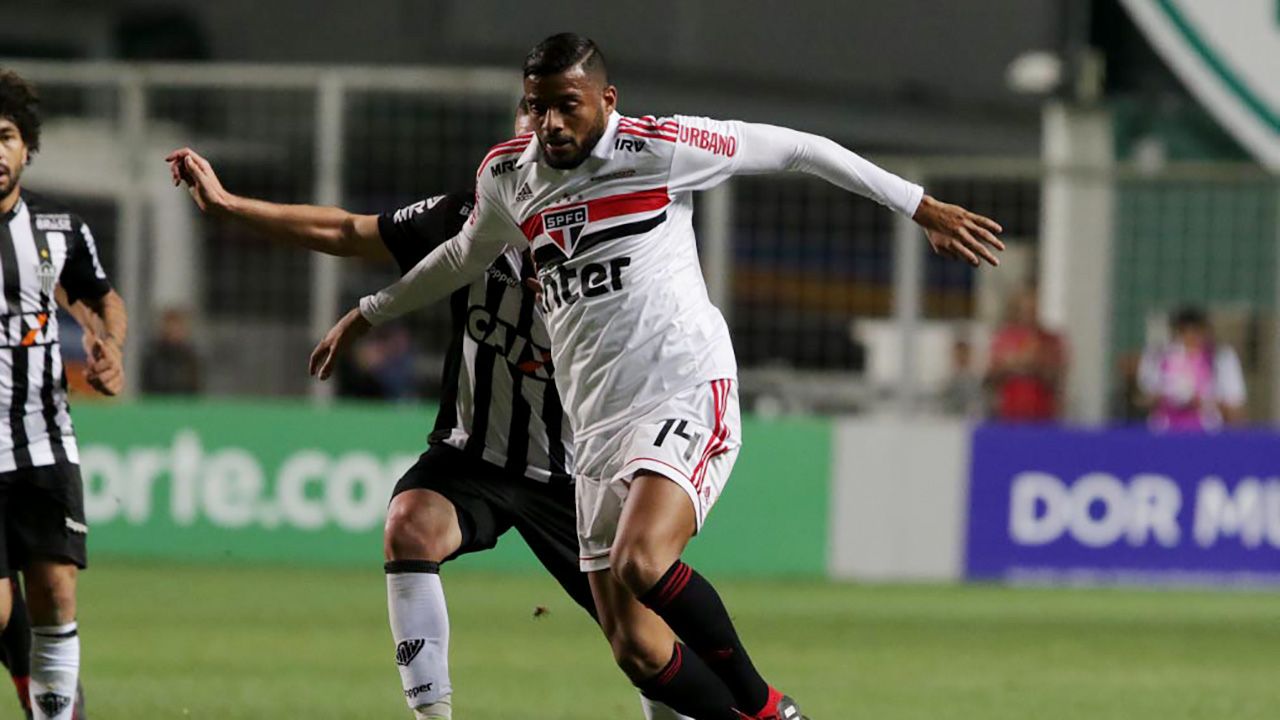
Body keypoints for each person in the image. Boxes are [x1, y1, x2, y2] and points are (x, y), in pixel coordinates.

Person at [313, 33, 1004, 720]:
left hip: (682, 389)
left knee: (644, 558)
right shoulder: (508, 176)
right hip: (595, 429)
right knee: (637, 649)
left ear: (606, 101)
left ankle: (766, 710)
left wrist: (920, 206)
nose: (551, 122)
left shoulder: (661, 149)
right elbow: (462, 257)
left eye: (568, 105)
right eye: (537, 106)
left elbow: (798, 147)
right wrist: (370, 312)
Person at [166, 100, 688, 720]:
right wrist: (230, 205)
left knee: (643, 649)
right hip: (473, 456)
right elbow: (346, 231)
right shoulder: (465, 220)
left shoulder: (616, 238)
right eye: (527, 126)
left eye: (554, 129)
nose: (537, 142)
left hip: (580, 475)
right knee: (409, 524)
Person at [0, 69, 128, 720]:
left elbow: (105, 300)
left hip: (43, 439)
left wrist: (110, 348)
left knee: (55, 592)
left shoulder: (59, 231)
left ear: (27, 148)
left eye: (5, 137)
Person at [1137, 306, 1246, 431]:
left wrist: (1203, 403)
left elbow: (1234, 406)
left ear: (1205, 332)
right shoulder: (1158, 356)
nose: (1190, 337)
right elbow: (1144, 397)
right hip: (1165, 429)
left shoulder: (1221, 357)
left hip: (1207, 431)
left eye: (1195, 331)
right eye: (1184, 332)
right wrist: (1166, 399)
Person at [986, 286, 1065, 423]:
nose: (1029, 313)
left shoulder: (1051, 340)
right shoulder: (1004, 338)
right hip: (1009, 413)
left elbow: (1057, 376)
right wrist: (1014, 364)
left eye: (1033, 309)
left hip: (1043, 414)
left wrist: (1035, 365)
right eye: (1026, 308)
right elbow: (992, 375)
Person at [139, 307, 201, 395]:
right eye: (170, 327)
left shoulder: (191, 359)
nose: (173, 332)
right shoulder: (153, 359)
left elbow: (196, 389)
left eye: (177, 328)